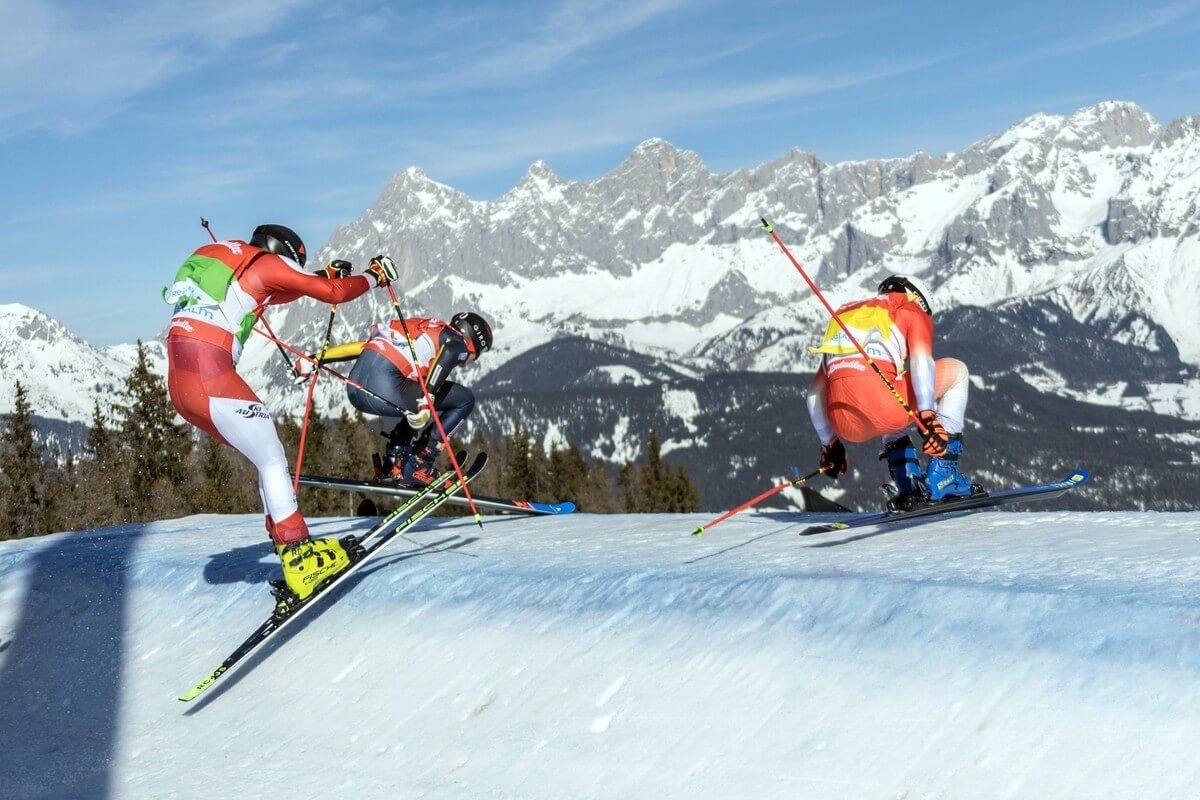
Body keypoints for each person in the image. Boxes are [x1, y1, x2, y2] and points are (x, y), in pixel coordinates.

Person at [164, 223, 399, 602]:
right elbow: (333, 294)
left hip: (182, 385)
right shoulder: (268, 264)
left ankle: (287, 547)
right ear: (284, 255)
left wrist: (318, 275)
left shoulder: (227, 260)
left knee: (265, 458)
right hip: (210, 377)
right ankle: (300, 558)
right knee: (273, 460)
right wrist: (374, 276)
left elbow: (278, 291)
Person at [804, 274, 981, 511]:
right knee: (958, 372)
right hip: (885, 405)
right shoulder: (911, 308)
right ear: (919, 300)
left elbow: (814, 394)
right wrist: (928, 417)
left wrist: (830, 444)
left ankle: (906, 481)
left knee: (890, 385)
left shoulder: (845, 314)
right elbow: (921, 362)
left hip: (844, 423)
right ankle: (944, 475)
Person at [303, 311, 492, 487]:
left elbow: (361, 347)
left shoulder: (422, 327)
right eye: (479, 353)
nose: (472, 361)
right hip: (385, 388)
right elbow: (450, 352)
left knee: (415, 393)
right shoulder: (457, 341)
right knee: (464, 400)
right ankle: (420, 464)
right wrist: (428, 399)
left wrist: (315, 359)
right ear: (473, 342)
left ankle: (394, 461)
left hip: (354, 390)